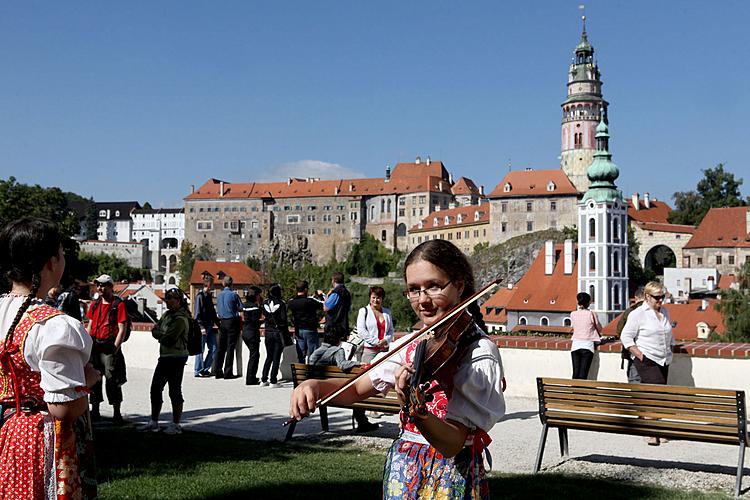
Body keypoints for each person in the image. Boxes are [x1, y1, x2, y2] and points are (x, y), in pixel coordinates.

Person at [290, 239, 505, 499]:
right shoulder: (412, 344)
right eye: (414, 290)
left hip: (449, 477)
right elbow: (357, 388)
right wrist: (315, 386)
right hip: (404, 470)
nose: (422, 300)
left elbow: (452, 443)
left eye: (433, 286)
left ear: (459, 286)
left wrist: (418, 414)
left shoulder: (478, 352)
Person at [0, 217, 101, 498]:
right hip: (37, 439)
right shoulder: (54, 326)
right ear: (50, 262)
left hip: (6, 430)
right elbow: (63, 409)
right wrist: (88, 380)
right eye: (61, 253)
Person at [620, 281, 675, 446]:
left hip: (664, 358)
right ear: (647, 296)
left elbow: (668, 332)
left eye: (662, 297)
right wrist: (640, 356)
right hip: (647, 359)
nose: (660, 301)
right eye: (657, 298)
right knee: (654, 394)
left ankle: (656, 429)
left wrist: (671, 346)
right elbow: (626, 337)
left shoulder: (664, 311)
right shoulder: (638, 314)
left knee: (659, 395)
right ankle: (651, 432)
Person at [139, 288, 190, 435]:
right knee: (155, 388)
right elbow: (158, 331)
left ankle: (175, 424)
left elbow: (168, 338)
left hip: (176, 358)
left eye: (171, 298)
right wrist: (160, 333)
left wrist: (158, 333)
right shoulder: (167, 315)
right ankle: (154, 421)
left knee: (174, 390)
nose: (167, 300)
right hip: (165, 357)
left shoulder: (181, 319)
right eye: (167, 298)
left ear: (179, 301)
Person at [309, 331, 378, 432]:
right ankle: (362, 423)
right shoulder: (338, 350)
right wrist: (359, 363)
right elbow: (343, 364)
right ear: (338, 340)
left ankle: (325, 426)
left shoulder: (316, 351)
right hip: (333, 392)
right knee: (358, 392)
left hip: (318, 392)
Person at [86, 273, 128, 424]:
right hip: (96, 346)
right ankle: (95, 411)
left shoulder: (118, 304)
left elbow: (122, 327)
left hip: (109, 347)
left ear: (111, 287)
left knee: (112, 380)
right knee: (94, 379)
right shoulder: (95, 304)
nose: (100, 288)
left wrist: (116, 348)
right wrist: (87, 343)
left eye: (103, 285)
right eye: (98, 285)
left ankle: (117, 413)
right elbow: (90, 324)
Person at [357, 286, 395, 364]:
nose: (375, 300)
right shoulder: (363, 311)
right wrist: (376, 342)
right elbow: (361, 331)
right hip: (370, 351)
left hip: (384, 351)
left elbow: (391, 330)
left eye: (378, 298)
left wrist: (386, 340)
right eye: (373, 297)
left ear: (382, 299)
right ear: (370, 297)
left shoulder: (387, 312)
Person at [288, 280, 324, 363]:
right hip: (310, 329)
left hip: (298, 330)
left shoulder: (292, 302)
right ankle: (311, 374)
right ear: (305, 290)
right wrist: (321, 295)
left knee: (301, 355)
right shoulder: (310, 301)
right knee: (313, 355)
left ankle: (301, 374)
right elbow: (325, 305)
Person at [214, 275, 243, 379]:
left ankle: (218, 371)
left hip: (222, 323)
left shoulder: (219, 295)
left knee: (221, 348)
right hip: (232, 322)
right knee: (230, 347)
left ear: (223, 284)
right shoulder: (234, 295)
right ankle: (228, 372)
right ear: (231, 284)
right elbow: (241, 308)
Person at [569, 292, 602, 380]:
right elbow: (599, 328)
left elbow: (573, 327)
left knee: (575, 373)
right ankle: (581, 392)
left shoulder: (573, 314)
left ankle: (574, 392)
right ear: (588, 303)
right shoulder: (591, 314)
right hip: (587, 345)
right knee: (583, 374)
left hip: (575, 345)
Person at [616, 286, 645, 384]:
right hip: (653, 355)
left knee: (635, 381)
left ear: (636, 298)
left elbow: (620, 330)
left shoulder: (630, 311)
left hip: (634, 352)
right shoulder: (654, 310)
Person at [261, 284, 288, 387]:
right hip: (277, 332)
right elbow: (284, 320)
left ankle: (264, 379)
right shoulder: (281, 304)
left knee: (269, 356)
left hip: (267, 331)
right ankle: (273, 380)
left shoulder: (264, 303)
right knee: (276, 357)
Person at [193, 275, 219, 378]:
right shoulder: (200, 296)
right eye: (212, 285)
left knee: (214, 348)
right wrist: (201, 327)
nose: (212, 287)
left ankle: (204, 369)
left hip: (209, 326)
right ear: (208, 285)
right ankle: (198, 370)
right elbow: (197, 314)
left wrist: (218, 325)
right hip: (202, 327)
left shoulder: (208, 296)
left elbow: (212, 313)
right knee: (200, 349)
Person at [241, 286, 263, 385]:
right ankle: (250, 378)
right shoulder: (255, 307)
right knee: (254, 355)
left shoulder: (245, 305)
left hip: (245, 332)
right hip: (252, 333)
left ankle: (251, 376)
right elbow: (257, 321)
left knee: (253, 355)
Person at [322, 271, 352, 342]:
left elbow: (326, 308)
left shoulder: (336, 293)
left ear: (334, 280)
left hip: (333, 326)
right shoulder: (347, 292)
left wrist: (326, 297)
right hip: (344, 325)